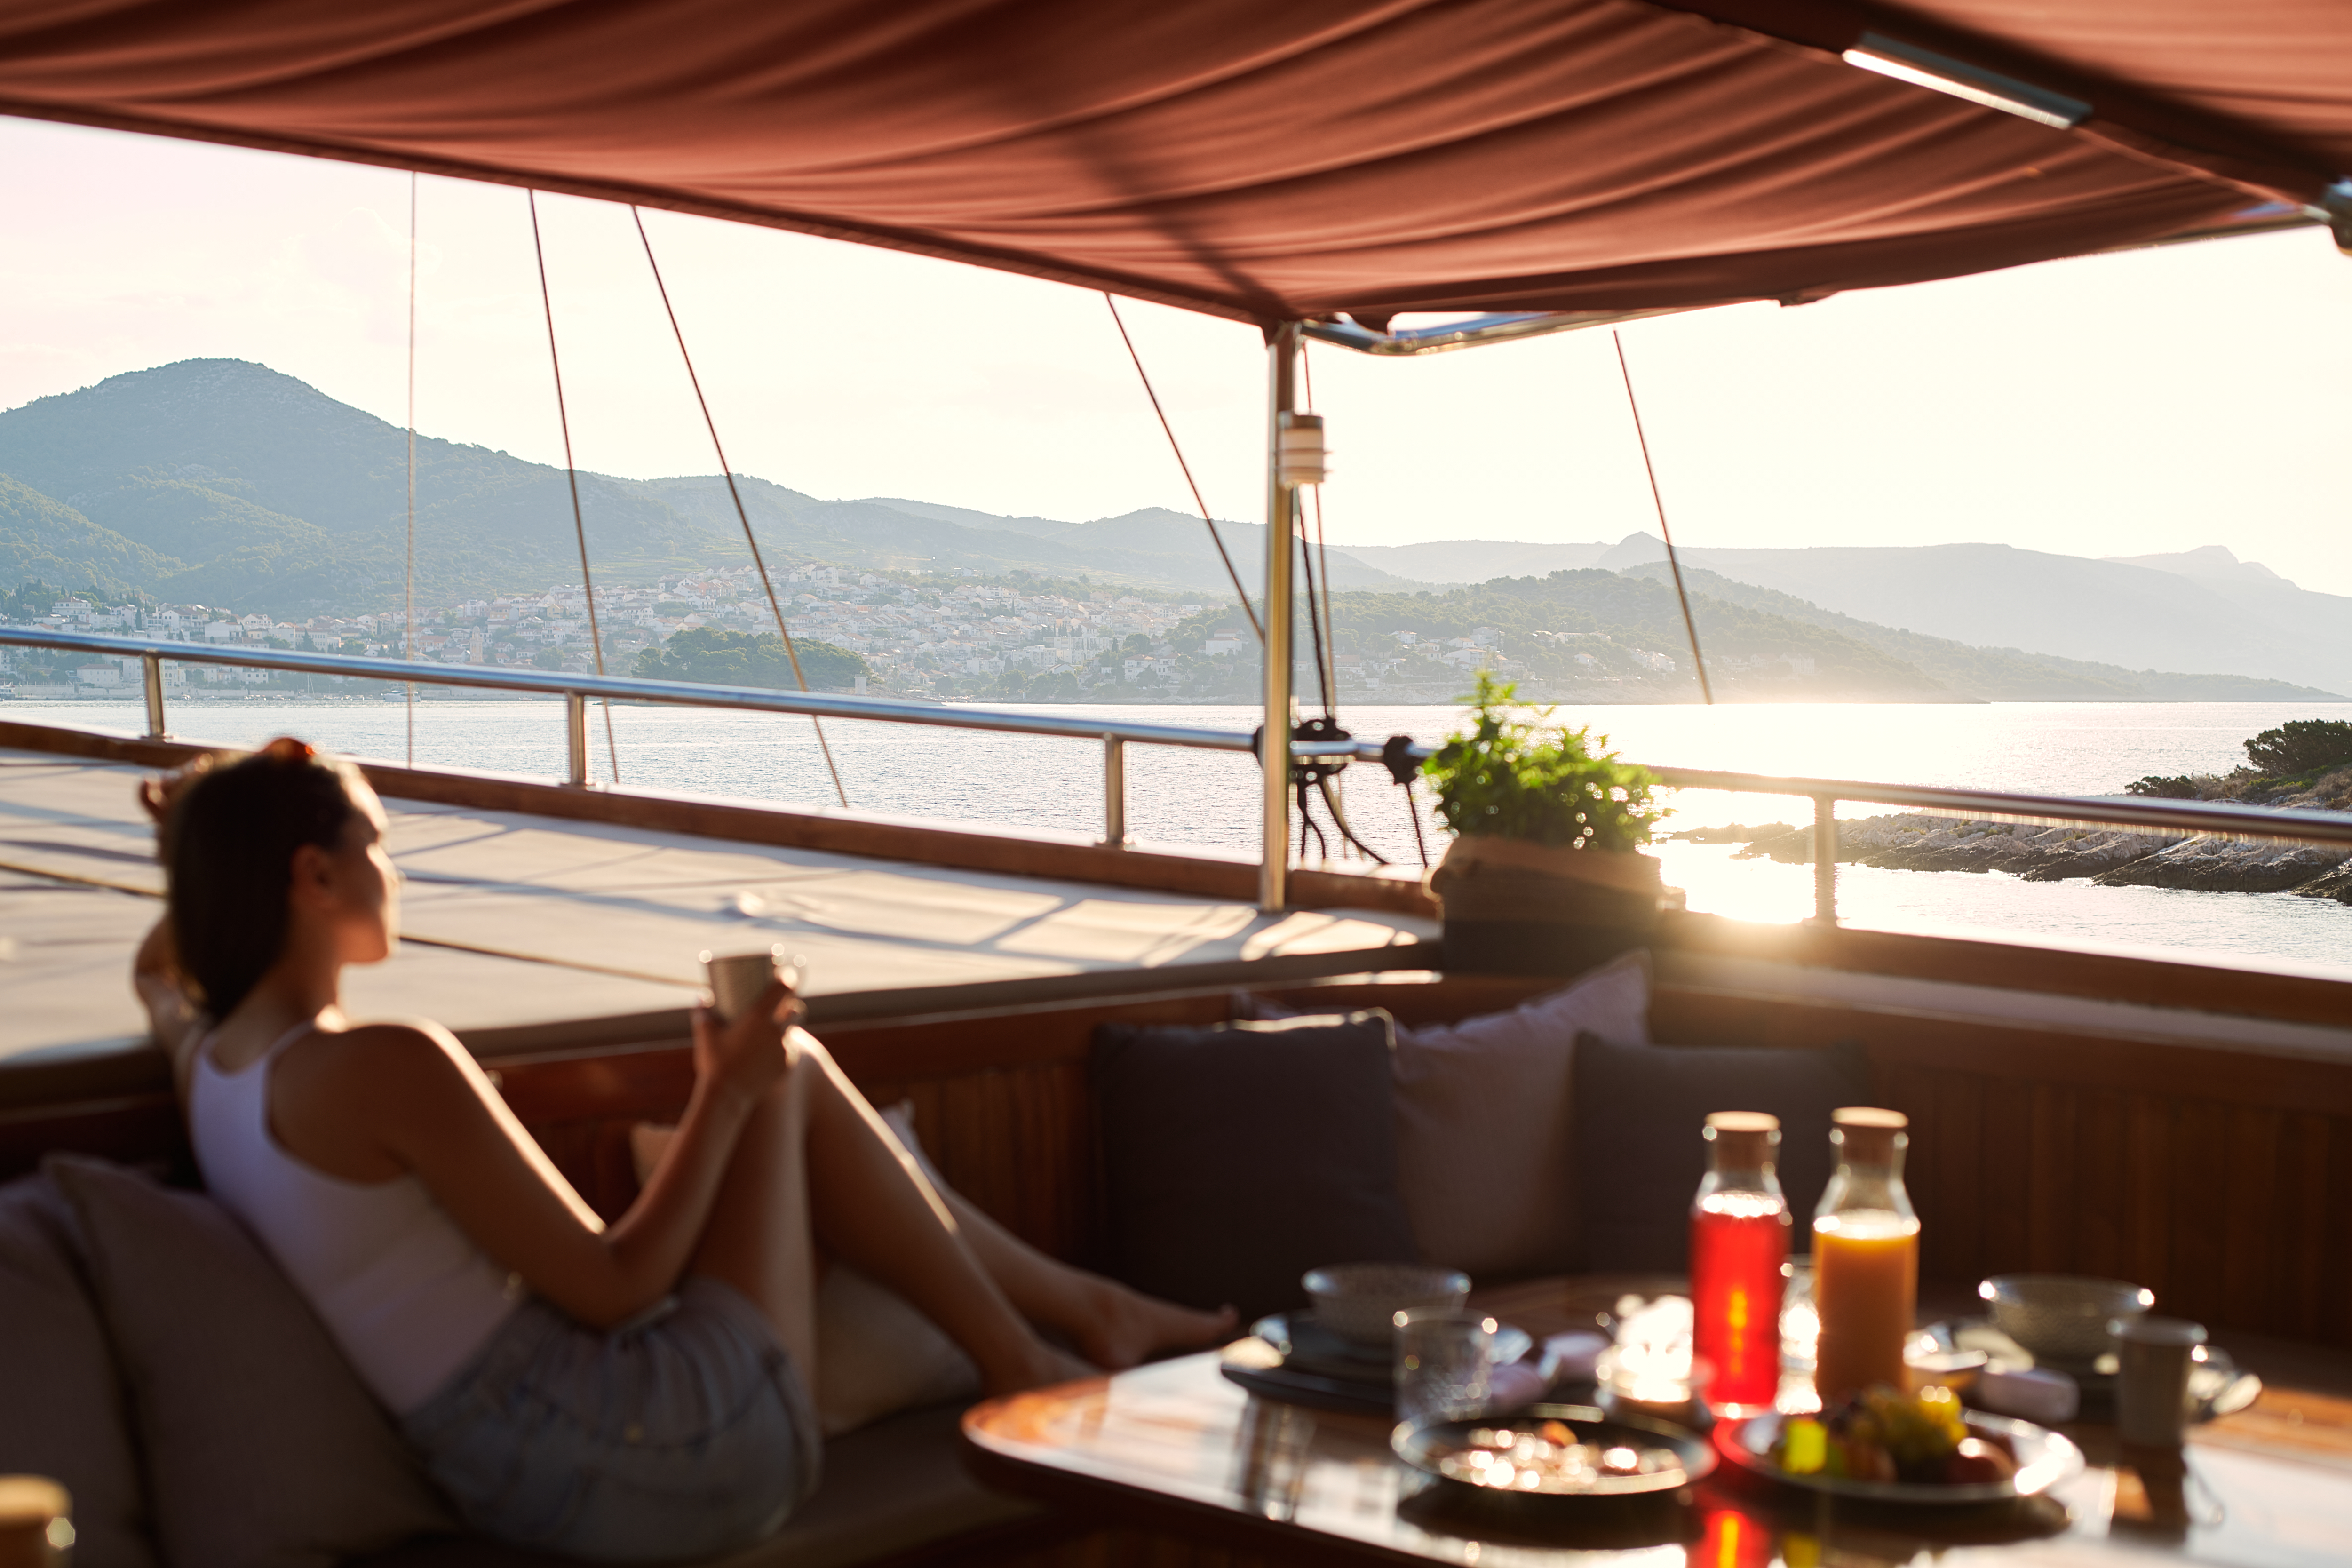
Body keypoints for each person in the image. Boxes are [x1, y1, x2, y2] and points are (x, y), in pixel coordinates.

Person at [134, 738, 1232, 1563]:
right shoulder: (380, 1064)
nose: (394, 872)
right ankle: (1036, 1355)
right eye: (375, 842)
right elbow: (615, 1288)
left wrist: (196, 834)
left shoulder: (210, 1061)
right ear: (311, 878)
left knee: (784, 1079)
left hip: (514, 1470)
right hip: (646, 1455)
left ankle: (1071, 1323)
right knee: (786, 1068)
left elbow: (161, 963)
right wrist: (724, 1091)